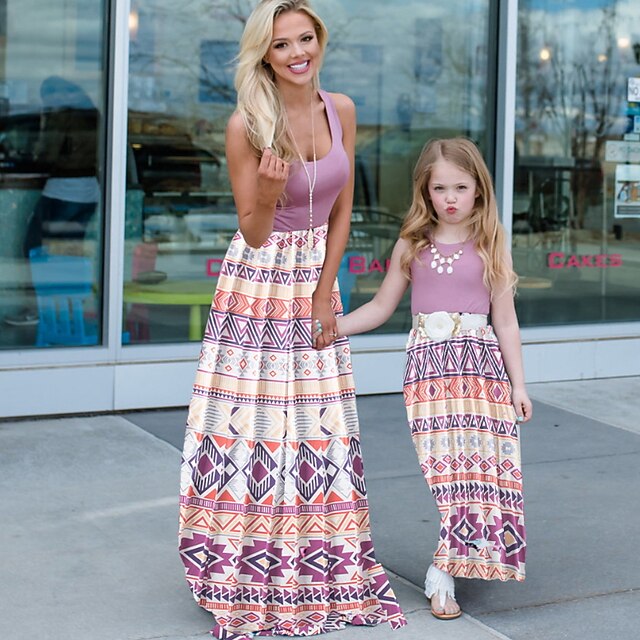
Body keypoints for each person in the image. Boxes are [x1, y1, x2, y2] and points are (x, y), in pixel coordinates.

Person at [178, 2, 406, 638]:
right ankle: (244, 566)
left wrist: (325, 291)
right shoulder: (245, 125)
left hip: (315, 279)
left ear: (319, 42)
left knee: (319, 427)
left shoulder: (342, 109)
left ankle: (315, 560)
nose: (298, 53)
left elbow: (343, 208)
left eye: (306, 39)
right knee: (253, 431)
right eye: (282, 45)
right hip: (257, 284)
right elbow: (253, 231)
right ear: (265, 54)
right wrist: (270, 192)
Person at [337, 137, 532, 620]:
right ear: (425, 191)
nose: (450, 198)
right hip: (428, 371)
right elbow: (381, 306)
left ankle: (442, 573)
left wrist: (519, 385)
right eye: (439, 188)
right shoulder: (412, 243)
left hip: (482, 371)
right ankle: (448, 566)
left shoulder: (490, 242)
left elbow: (506, 321)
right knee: (445, 475)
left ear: (478, 189)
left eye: (460, 187)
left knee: (480, 475)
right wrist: (331, 328)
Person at [4, 76, 99, 327]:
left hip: (63, 191)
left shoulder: (61, 116)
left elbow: (48, 154)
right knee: (69, 253)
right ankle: (70, 308)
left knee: (35, 248)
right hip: (89, 191)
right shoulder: (93, 114)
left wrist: (27, 153)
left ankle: (36, 309)